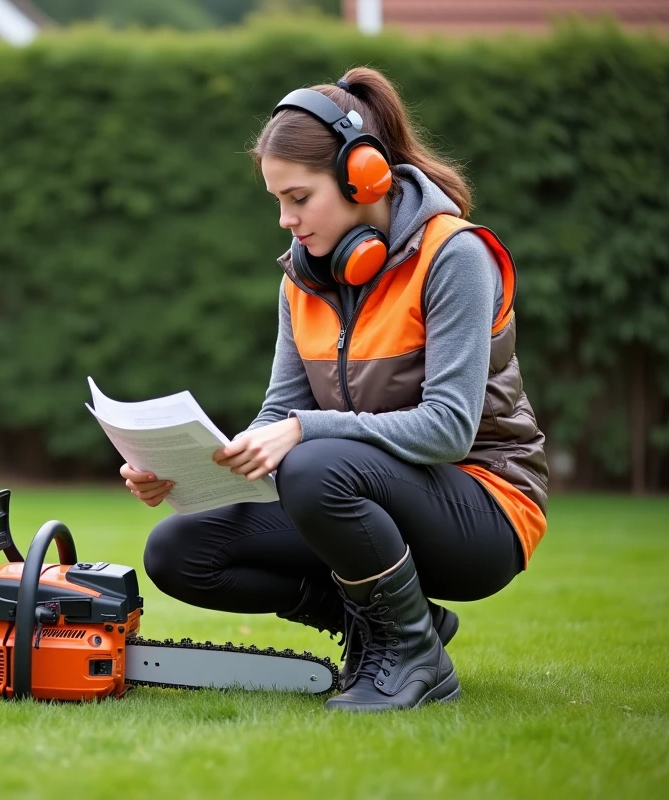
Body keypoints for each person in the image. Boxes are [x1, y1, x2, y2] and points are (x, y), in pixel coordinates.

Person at [121, 67, 549, 712]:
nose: (286, 220)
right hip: (360, 492)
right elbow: (279, 412)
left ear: (363, 177)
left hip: (485, 508)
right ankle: (396, 627)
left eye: (299, 198)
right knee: (180, 550)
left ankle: (414, 658)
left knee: (316, 461)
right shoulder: (302, 279)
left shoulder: (454, 257)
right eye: (277, 202)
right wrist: (189, 471)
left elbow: (449, 428)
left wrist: (303, 430)